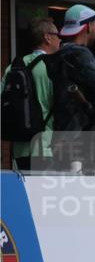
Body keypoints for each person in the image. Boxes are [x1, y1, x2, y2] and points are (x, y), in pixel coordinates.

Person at [1, 18, 60, 169]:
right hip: (47, 149)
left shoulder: (12, 68)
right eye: (57, 35)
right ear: (47, 37)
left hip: (20, 151)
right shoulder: (54, 67)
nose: (60, 39)